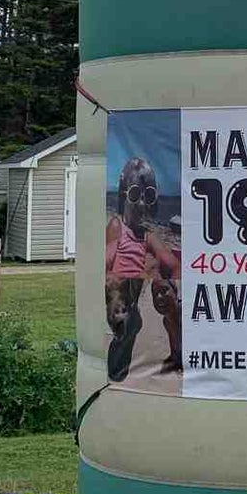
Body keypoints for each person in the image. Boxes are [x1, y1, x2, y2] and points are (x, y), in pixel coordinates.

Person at [105, 155, 181, 382]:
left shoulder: (146, 236)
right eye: (135, 194)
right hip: (120, 288)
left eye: (148, 196)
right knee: (123, 323)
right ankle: (118, 366)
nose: (141, 203)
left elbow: (174, 265)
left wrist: (170, 282)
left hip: (135, 292)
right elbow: (107, 263)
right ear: (123, 195)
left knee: (158, 312)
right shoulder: (117, 226)